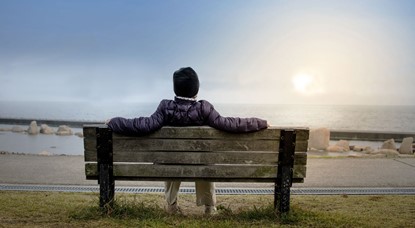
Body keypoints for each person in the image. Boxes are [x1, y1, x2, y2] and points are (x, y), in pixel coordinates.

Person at [107, 67, 268, 215]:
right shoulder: (204, 108)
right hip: (199, 163)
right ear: (196, 90)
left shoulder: (165, 107)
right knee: (205, 161)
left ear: (175, 89)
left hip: (171, 163)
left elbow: (142, 125)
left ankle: (171, 206)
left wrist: (114, 121)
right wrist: (261, 123)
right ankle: (209, 207)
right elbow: (230, 124)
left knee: (169, 159)